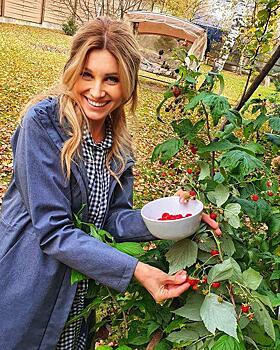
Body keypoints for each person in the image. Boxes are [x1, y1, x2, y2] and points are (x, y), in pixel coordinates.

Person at [0, 17, 219, 350]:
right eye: (87, 75)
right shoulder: (43, 126)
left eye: (112, 79)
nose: (97, 91)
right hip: (30, 283)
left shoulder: (118, 143)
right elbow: (54, 230)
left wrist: (175, 218)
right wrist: (137, 270)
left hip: (78, 290)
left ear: (128, 84)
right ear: (73, 71)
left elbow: (114, 219)